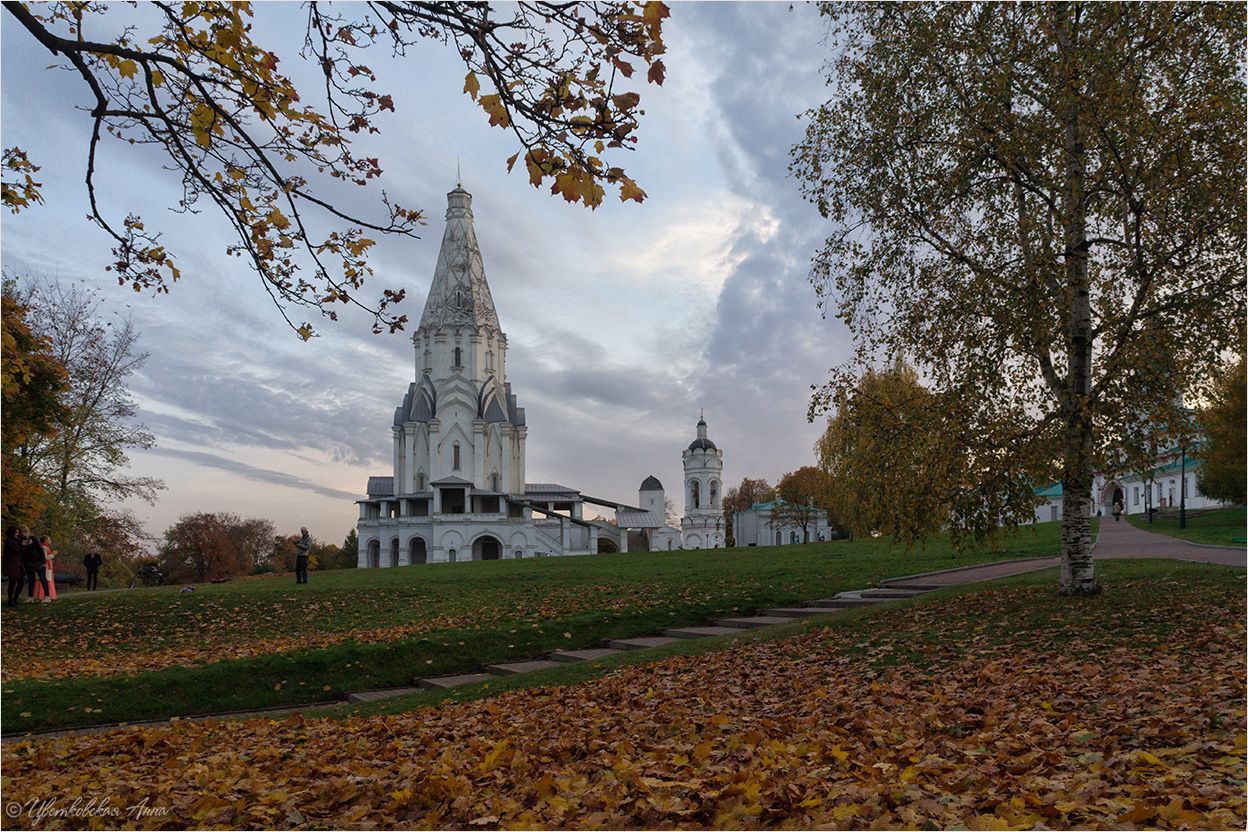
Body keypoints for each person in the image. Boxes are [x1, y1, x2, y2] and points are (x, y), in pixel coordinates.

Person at [21, 529, 49, 603]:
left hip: (39, 562)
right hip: (29, 564)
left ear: (28, 532)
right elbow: (23, 553)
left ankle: (47, 596)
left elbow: (40, 549)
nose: (24, 533)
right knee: (31, 580)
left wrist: (43, 562)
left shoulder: (34, 538)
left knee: (43, 579)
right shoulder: (21, 541)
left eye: (25, 532)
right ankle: (30, 598)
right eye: (22, 532)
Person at [4, 527, 25, 607]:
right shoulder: (9, 541)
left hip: (18, 564)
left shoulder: (16, 540)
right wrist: (23, 545)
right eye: (16, 532)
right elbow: (17, 551)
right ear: (12, 533)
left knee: (21, 582)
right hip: (11, 564)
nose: (17, 533)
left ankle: (15, 598)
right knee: (12, 583)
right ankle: (10, 600)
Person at [37, 536, 57, 601]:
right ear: (45, 540)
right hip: (46, 566)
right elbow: (45, 558)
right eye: (49, 539)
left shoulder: (46, 547)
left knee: (48, 579)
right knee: (46, 579)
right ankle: (45, 595)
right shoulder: (44, 547)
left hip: (48, 565)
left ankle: (48, 595)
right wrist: (53, 555)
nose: (50, 540)